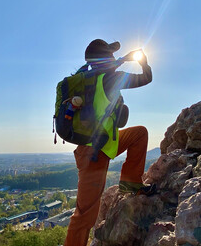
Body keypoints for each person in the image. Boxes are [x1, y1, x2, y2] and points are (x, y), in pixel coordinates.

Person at [64, 39, 153, 246]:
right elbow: (147, 78)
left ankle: (130, 182)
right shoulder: (111, 78)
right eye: (111, 54)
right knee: (85, 215)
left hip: (101, 145)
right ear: (107, 58)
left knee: (139, 134)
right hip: (93, 155)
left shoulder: (89, 79)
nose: (114, 57)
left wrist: (122, 60)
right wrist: (143, 61)